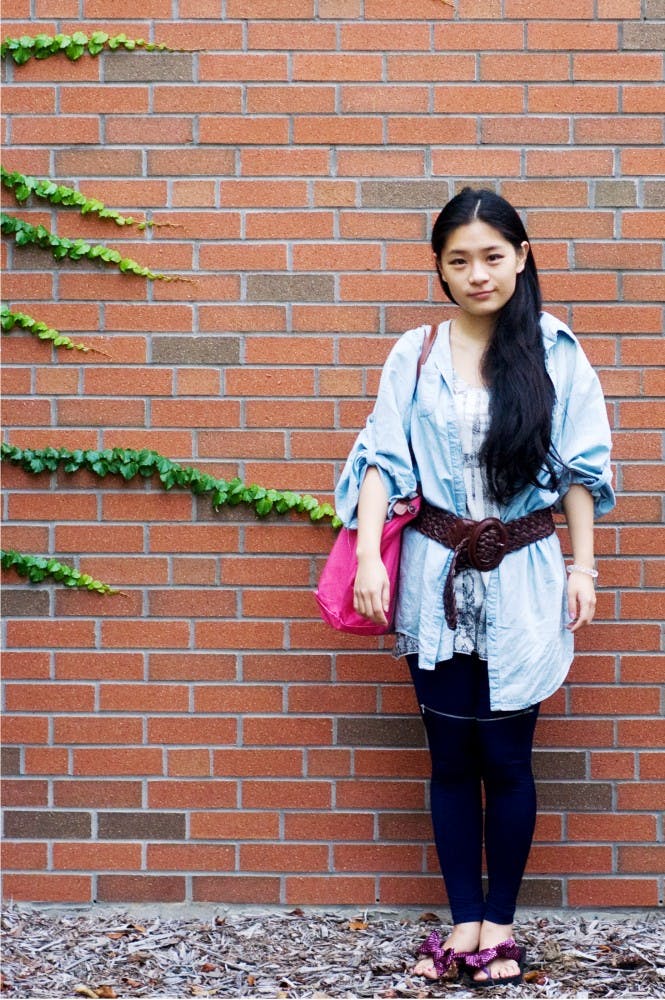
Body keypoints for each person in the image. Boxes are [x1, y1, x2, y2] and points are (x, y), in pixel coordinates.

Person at [334, 188, 614, 987]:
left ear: (521, 258)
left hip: (524, 576)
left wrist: (581, 568)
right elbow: (382, 460)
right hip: (434, 574)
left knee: (507, 757)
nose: (477, 273)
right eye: (458, 260)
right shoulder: (412, 355)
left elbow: (581, 474)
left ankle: (502, 926)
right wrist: (366, 559)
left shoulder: (556, 354)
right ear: (441, 271)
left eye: (492, 256)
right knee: (449, 756)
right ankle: (463, 925)